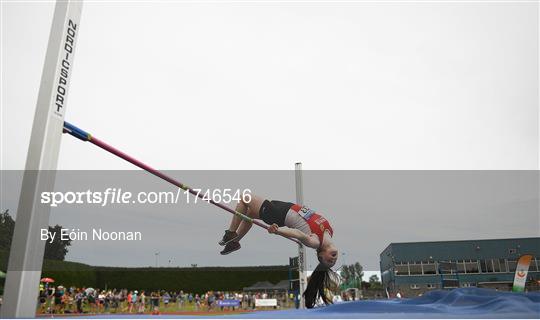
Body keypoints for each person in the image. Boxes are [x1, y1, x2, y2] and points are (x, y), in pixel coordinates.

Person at [219, 195, 338, 308]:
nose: (333, 259)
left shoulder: (315, 242)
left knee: (245, 198)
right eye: (334, 260)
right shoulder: (330, 231)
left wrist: (278, 231)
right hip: (284, 208)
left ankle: (231, 233)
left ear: (321, 254)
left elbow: (299, 235)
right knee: (247, 215)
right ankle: (235, 242)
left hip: (278, 214)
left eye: (329, 261)